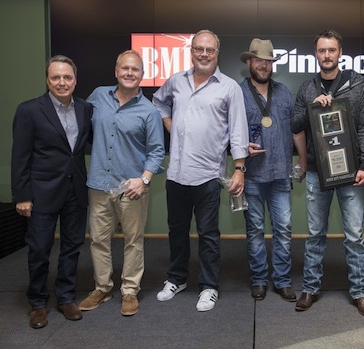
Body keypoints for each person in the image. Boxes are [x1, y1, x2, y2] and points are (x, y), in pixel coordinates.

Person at [152, 29, 249, 312]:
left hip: (208, 175)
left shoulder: (229, 87)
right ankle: (177, 279)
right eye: (199, 49)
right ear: (191, 51)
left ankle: (208, 287)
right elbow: (158, 102)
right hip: (176, 174)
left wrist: (240, 168)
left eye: (209, 50)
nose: (204, 54)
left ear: (217, 53)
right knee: (176, 231)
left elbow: (238, 131)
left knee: (208, 234)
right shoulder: (175, 82)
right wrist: (170, 125)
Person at [291, 30, 364, 317]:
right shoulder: (306, 87)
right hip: (317, 171)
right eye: (322, 50)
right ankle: (310, 288)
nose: (326, 55)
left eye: (332, 50)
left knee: (354, 235)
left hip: (351, 172)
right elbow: (295, 124)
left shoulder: (358, 85)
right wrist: (313, 104)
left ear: (340, 53)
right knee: (315, 234)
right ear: (315, 53)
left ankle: (360, 292)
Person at [78, 50, 165, 316]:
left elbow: (157, 151)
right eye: (125, 69)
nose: (129, 73)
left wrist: (144, 180)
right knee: (98, 240)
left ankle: (130, 291)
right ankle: (102, 288)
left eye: (135, 69)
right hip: (99, 185)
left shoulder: (149, 111)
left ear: (142, 74)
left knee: (133, 241)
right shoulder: (97, 97)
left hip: (132, 188)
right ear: (116, 71)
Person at [11, 55, 92, 328]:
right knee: (39, 249)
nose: (62, 82)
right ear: (47, 80)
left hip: (75, 191)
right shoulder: (29, 110)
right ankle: (37, 302)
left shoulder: (85, 109)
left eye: (67, 77)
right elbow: (20, 156)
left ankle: (66, 297)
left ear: (75, 80)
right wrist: (21, 195)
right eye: (56, 77)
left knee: (72, 247)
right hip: (41, 192)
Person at [238, 38, 307, 302]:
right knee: (254, 230)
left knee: (284, 229)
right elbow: (228, 130)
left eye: (268, 61)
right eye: (259, 60)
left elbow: (295, 129)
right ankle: (258, 280)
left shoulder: (284, 93)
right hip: (252, 174)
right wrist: (241, 147)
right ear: (249, 62)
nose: (263, 65)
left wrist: (303, 158)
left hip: (280, 174)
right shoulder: (238, 93)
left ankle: (282, 280)